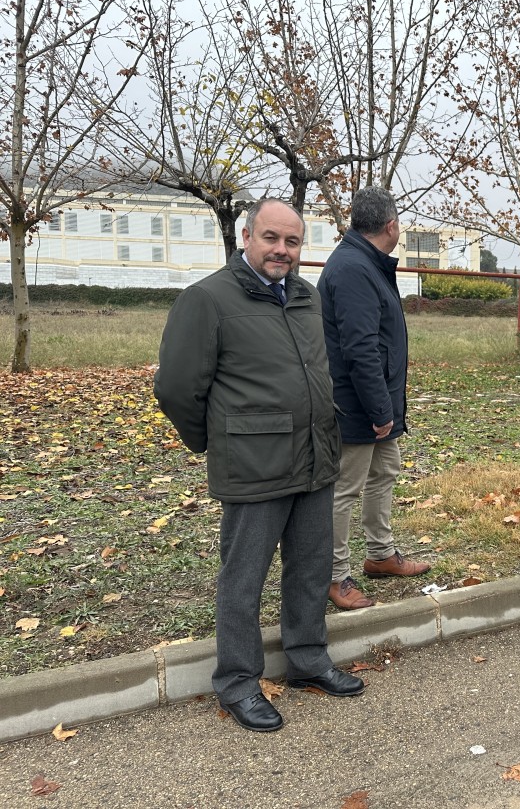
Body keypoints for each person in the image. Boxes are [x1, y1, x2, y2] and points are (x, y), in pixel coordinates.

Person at [154, 198, 365, 733]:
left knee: (312, 567)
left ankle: (308, 660)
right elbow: (177, 388)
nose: (282, 250)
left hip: (316, 457)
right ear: (246, 237)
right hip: (254, 466)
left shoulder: (304, 296)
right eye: (271, 238)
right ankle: (238, 683)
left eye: (292, 242)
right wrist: (218, 441)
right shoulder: (207, 299)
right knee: (243, 579)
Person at [318, 186, 431, 611]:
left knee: (385, 471)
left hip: (377, 402)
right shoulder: (352, 268)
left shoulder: (366, 263)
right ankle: (334, 576)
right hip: (357, 404)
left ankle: (380, 555)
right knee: (346, 488)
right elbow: (359, 347)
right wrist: (380, 410)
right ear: (391, 225)